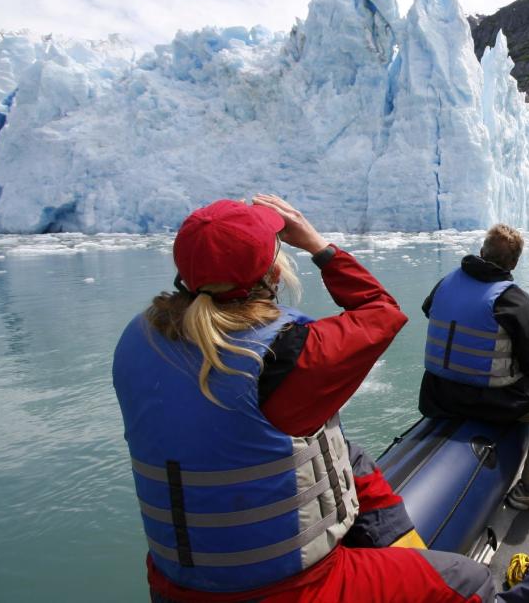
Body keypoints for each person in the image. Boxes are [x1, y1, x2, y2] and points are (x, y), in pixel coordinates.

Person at [112, 195, 494, 603]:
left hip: (172, 588)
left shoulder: (137, 339)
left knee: (347, 452)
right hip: (292, 592)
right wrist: (318, 246)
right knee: (470, 580)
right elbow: (382, 312)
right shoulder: (285, 356)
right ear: (272, 275)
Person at [419, 224, 529, 517]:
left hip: (436, 394)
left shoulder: (446, 282)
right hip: (488, 398)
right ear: (514, 263)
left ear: (482, 251)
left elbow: (430, 310)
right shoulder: (512, 299)